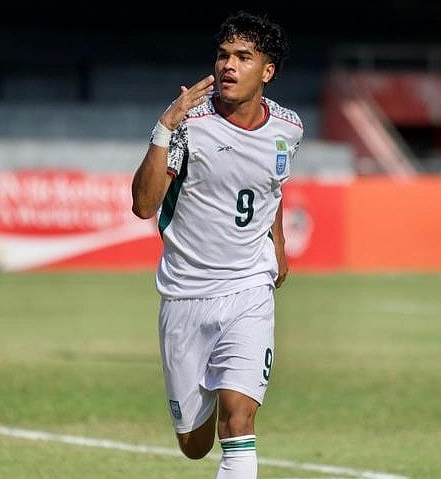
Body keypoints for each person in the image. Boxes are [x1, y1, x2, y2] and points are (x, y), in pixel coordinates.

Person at [130, 11, 301, 478]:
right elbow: (144, 206)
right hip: (185, 293)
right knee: (194, 445)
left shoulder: (289, 129)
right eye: (224, 55)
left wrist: (278, 242)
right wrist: (164, 126)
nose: (228, 65)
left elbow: (273, 186)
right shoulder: (190, 124)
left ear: (267, 71)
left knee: (239, 420)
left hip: (249, 288)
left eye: (243, 57)